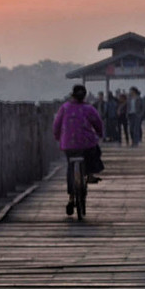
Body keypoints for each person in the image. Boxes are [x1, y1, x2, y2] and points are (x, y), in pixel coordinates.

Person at [53, 84, 104, 216]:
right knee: (94, 152)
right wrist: (100, 133)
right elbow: (97, 123)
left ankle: (71, 197)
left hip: (68, 144)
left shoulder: (64, 108)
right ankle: (90, 174)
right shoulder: (89, 108)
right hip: (86, 144)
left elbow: (57, 124)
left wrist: (58, 137)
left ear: (72, 95)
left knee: (70, 167)